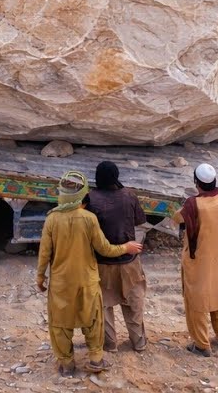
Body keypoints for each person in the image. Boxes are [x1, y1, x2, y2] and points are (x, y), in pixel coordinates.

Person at [37, 171, 144, 377]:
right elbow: (104, 249)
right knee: (93, 321)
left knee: (60, 325)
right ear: (83, 195)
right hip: (87, 280)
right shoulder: (89, 219)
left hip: (61, 283)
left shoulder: (52, 220)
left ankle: (67, 364)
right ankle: (96, 359)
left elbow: (44, 253)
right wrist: (126, 247)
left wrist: (40, 277)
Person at [171, 163, 218, 357]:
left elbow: (178, 218)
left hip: (199, 260)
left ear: (196, 182)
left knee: (196, 300)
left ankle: (201, 344)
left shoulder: (194, 204)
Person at [87, 161, 148, 353]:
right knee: (133, 302)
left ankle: (109, 343)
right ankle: (138, 342)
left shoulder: (91, 199)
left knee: (103, 305)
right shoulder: (129, 195)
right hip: (129, 260)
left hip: (102, 262)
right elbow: (139, 220)